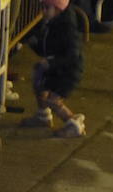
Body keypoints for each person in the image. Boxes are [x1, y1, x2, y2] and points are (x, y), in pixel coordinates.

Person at [20, 0, 86, 138]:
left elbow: (72, 55)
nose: (43, 11)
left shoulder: (67, 28)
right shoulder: (53, 22)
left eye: (46, 7)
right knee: (39, 85)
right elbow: (47, 46)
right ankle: (42, 116)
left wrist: (52, 62)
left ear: (58, 9)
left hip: (67, 71)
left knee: (53, 100)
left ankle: (73, 124)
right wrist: (34, 43)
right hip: (56, 67)